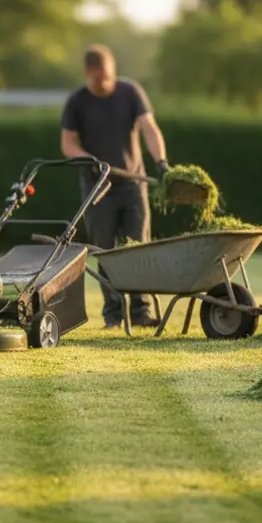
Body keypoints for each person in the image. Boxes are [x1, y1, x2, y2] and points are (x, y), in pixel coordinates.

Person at [60, 44, 170, 329]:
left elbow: (149, 127)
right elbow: (68, 143)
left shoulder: (130, 92)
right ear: (88, 74)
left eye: (108, 77)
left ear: (113, 70)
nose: (104, 83)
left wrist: (161, 163)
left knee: (138, 248)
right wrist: (89, 160)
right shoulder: (77, 101)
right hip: (97, 189)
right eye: (98, 79)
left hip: (133, 185)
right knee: (105, 252)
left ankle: (141, 311)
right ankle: (113, 315)